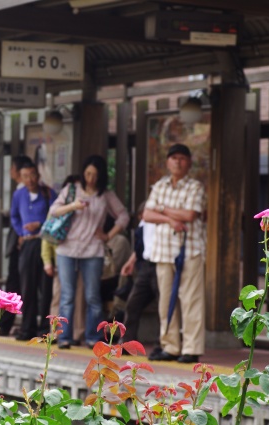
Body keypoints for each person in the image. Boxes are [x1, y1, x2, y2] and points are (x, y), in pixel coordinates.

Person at [50, 155, 129, 349]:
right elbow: (54, 211)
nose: (90, 178)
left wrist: (108, 235)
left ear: (101, 176)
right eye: (87, 174)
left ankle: (93, 337)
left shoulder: (105, 195)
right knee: (67, 295)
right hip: (67, 249)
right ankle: (64, 337)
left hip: (93, 250)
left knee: (92, 296)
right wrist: (73, 206)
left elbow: (124, 216)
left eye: (94, 175)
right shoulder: (72, 190)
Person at [143, 143, 206, 364]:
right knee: (165, 302)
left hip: (190, 250)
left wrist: (161, 208)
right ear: (167, 162)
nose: (177, 161)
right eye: (174, 158)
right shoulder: (159, 185)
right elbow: (147, 214)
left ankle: (191, 348)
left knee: (191, 300)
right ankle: (170, 346)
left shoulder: (195, 187)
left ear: (189, 163)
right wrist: (169, 217)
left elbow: (189, 215)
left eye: (182, 158)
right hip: (163, 251)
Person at [10, 162, 57, 340]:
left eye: (32, 175)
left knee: (46, 288)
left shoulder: (48, 193)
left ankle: (45, 329)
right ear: (21, 178)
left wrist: (40, 224)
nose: (30, 179)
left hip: (45, 243)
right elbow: (14, 216)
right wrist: (21, 231)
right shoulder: (18, 195)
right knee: (27, 288)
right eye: (25, 176)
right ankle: (27, 328)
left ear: (38, 175)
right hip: (27, 244)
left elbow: (56, 216)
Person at [43, 175, 85, 342]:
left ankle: (77, 333)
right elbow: (46, 236)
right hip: (61, 258)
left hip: (81, 257)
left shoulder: (83, 210)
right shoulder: (58, 209)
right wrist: (47, 261)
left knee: (80, 296)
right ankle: (55, 333)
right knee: (59, 296)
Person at [0, 155, 34, 336]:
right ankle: (7, 323)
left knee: (18, 284)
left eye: (12, 168)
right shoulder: (20, 192)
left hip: (25, 243)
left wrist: (22, 234)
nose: (10, 171)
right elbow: (15, 218)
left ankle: (9, 324)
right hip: (20, 241)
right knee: (15, 284)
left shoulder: (30, 192)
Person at [118, 202, 159, 345]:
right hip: (146, 265)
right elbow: (141, 247)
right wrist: (131, 261)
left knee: (163, 305)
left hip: (160, 263)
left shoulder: (160, 223)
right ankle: (127, 341)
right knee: (133, 302)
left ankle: (163, 342)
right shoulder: (142, 227)